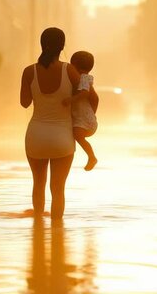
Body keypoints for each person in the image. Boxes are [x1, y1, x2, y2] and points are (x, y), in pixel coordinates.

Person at [20, 27, 98, 219]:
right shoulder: (69, 70)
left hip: (36, 137)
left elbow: (24, 103)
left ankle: (37, 230)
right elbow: (87, 93)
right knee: (58, 190)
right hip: (62, 139)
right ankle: (56, 236)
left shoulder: (29, 71)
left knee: (38, 184)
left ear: (41, 44)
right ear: (62, 46)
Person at [62, 51, 98, 171]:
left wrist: (71, 100)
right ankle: (90, 156)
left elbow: (85, 93)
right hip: (83, 117)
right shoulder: (82, 78)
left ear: (75, 66)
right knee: (75, 135)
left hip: (85, 119)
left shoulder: (84, 78)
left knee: (77, 135)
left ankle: (92, 156)